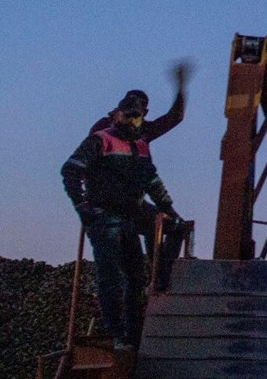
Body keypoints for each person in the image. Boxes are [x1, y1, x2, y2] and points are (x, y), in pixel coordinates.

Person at [62, 94, 182, 350]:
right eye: (126, 115)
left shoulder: (140, 146)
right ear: (117, 114)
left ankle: (135, 329)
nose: (130, 120)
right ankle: (118, 334)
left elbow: (151, 181)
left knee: (136, 277)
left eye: (135, 116)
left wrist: (169, 209)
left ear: (142, 117)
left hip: (128, 216)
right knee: (111, 277)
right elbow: (71, 169)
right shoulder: (100, 140)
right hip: (105, 217)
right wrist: (82, 206)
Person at [90, 61, 192, 291]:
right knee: (167, 225)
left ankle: (156, 275)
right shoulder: (110, 130)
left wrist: (181, 87)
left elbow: (173, 118)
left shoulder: (134, 128)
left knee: (162, 224)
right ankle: (158, 278)